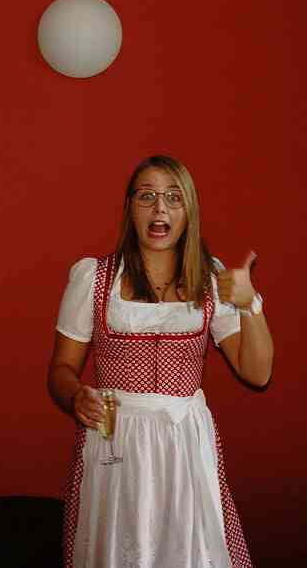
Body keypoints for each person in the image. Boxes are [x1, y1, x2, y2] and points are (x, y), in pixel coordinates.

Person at [47, 154, 274, 567]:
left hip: (184, 443)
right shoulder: (94, 279)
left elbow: (257, 373)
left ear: (189, 211)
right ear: (130, 208)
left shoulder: (211, 279)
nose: (160, 208)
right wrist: (76, 395)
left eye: (173, 197)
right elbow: (60, 370)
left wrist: (249, 304)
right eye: (147, 196)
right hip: (114, 442)